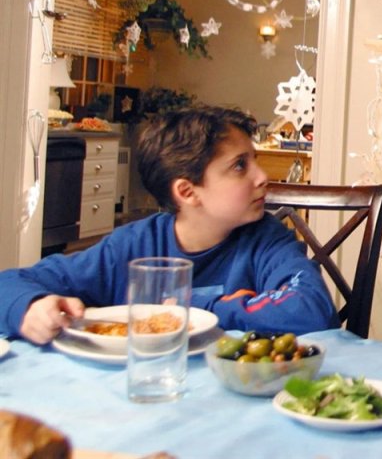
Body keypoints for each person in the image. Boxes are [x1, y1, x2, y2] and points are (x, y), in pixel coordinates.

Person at [0, 105, 339, 344]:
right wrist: (29, 308)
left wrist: (192, 309)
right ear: (187, 191)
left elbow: (311, 310)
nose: (262, 177)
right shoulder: (132, 247)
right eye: (239, 166)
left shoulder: (266, 239)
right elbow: (11, 283)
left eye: (255, 161)